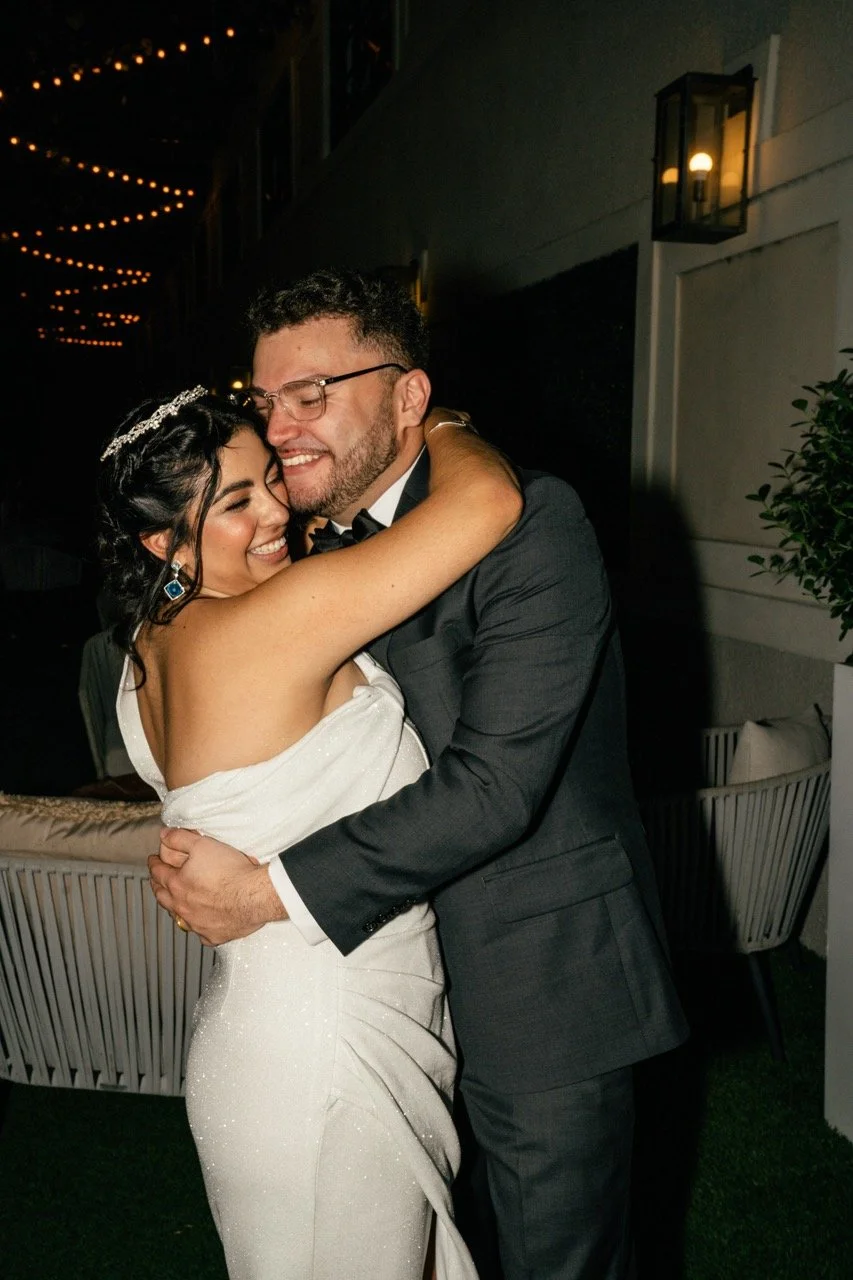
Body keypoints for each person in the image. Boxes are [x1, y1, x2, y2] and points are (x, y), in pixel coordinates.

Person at [151, 269, 690, 1280]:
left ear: (410, 398)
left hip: (541, 983)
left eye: (314, 393)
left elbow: (493, 784)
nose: (282, 428)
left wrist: (267, 889)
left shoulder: (531, 522)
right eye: (266, 401)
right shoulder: (303, 546)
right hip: (385, 985)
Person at [98, 383, 522, 1279]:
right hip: (329, 1045)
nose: (276, 512)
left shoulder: (147, 647)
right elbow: (489, 501)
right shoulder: (275, 624)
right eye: (234, 502)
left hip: (260, 1033)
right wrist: (440, 420)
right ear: (158, 540)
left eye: (270, 481)